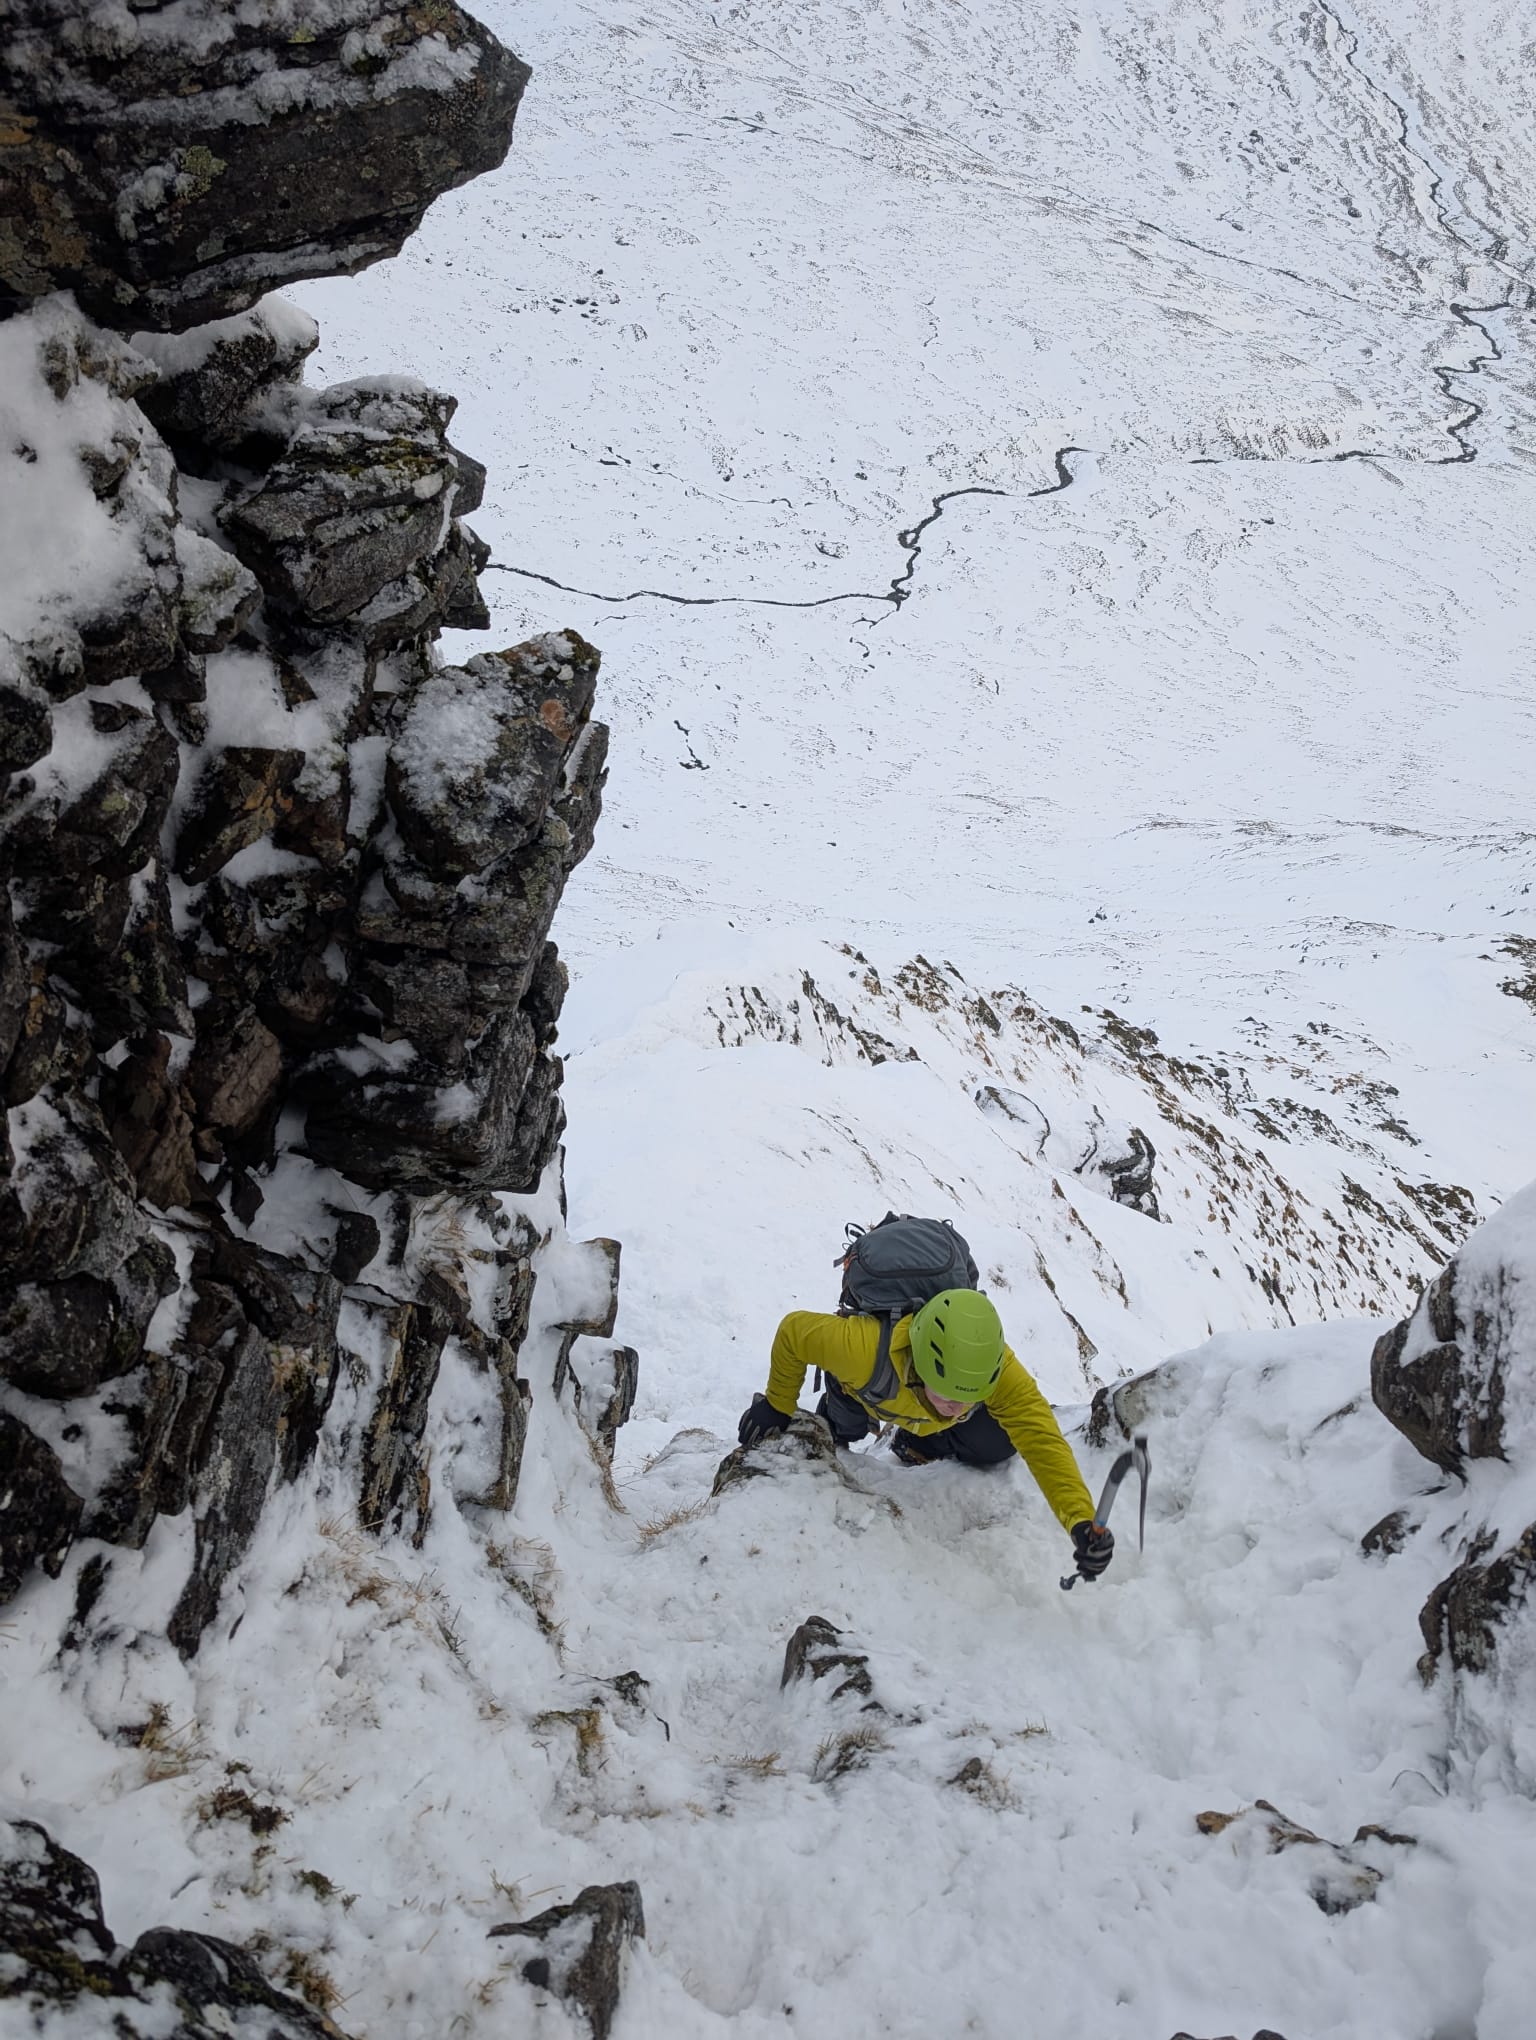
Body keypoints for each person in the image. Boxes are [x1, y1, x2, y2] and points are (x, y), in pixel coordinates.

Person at [737, 1287, 1114, 1580]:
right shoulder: (861, 1349)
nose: (958, 1407)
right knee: (840, 1430)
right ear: (919, 1362)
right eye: (948, 1395)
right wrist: (777, 1404)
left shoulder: (993, 1368)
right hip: (866, 1392)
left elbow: (1042, 1439)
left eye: (970, 1398)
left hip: (924, 1417)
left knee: (996, 1444)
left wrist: (1080, 1520)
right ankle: (840, 1402)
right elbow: (794, 1331)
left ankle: (915, 1440)